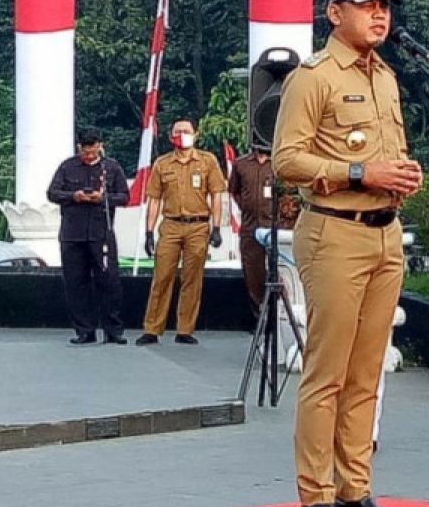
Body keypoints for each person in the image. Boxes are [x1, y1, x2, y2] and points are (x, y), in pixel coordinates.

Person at [273, 0, 423, 507]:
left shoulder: (385, 76)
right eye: (367, 6)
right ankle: (316, 498)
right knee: (328, 372)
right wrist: (359, 170)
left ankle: (354, 490)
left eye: (384, 5)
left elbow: (390, 150)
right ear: (335, 12)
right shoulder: (313, 77)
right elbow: (288, 160)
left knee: (367, 374)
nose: (379, 14)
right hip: (334, 231)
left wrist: (402, 175)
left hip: (385, 232)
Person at [137, 119, 226, 346]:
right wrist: (149, 231)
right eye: (177, 131)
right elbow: (154, 199)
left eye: (186, 131)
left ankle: (185, 329)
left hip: (198, 224)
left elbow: (216, 194)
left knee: (192, 278)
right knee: (162, 276)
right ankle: (152, 328)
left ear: (195, 134)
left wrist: (216, 227)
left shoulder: (207, 161)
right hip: (171, 225)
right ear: (170, 136)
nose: (182, 135)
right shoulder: (162, 164)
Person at [46, 130, 130, 346]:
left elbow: (125, 197)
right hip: (72, 234)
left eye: (93, 150)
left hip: (101, 233)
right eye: (85, 150)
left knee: (109, 282)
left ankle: (113, 330)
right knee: (76, 284)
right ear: (79, 147)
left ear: (100, 146)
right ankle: (85, 330)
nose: (89, 154)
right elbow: (52, 193)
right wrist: (73, 196)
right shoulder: (67, 166)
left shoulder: (111, 167)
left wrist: (103, 198)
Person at [227, 144, 274, 316]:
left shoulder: (279, 162)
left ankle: (279, 317)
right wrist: (246, 207)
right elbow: (234, 191)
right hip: (250, 226)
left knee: (281, 271)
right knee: (253, 272)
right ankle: (259, 315)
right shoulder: (241, 164)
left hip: (275, 225)